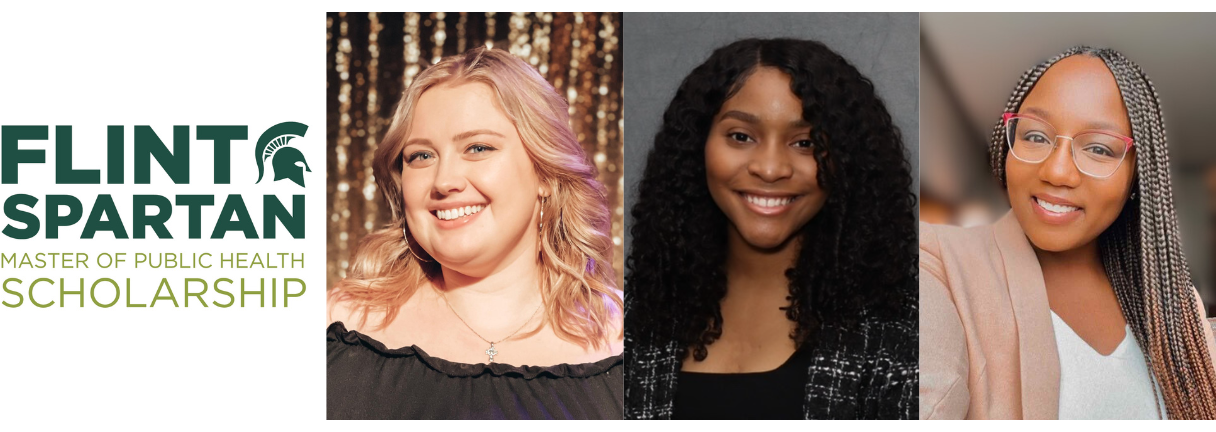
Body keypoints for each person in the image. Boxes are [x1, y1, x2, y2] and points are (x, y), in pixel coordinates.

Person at [624, 38, 919, 420]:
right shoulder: (627, 319)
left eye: (805, 142)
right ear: (697, 146)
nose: (770, 167)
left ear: (848, 160)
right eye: (741, 136)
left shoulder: (903, 332)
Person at [326, 47, 624, 420]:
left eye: (478, 148)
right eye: (421, 156)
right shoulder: (336, 329)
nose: (444, 181)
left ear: (545, 174)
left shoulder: (632, 343)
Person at [920, 46, 1216, 420]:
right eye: (1036, 137)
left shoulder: (1176, 306)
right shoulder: (935, 261)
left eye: (1098, 149)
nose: (1057, 172)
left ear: (1137, 174)